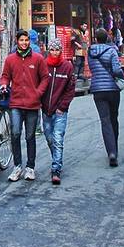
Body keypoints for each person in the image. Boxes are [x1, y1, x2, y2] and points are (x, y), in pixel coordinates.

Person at [0, 29, 48, 182]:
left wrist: (38, 93)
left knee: (29, 136)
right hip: (15, 103)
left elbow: (45, 78)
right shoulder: (10, 59)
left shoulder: (38, 58)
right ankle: (17, 166)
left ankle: (30, 167)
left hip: (32, 104)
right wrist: (4, 84)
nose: (24, 43)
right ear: (17, 41)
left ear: (29, 41)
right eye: (21, 40)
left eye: (26, 40)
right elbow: (5, 76)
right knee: (15, 134)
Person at [40, 38, 76, 185]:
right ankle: (56, 157)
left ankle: (56, 169)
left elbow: (70, 89)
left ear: (61, 51)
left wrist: (63, 106)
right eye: (52, 50)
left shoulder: (67, 67)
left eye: (57, 50)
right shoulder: (43, 65)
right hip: (46, 110)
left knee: (58, 138)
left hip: (60, 110)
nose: (54, 52)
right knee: (49, 138)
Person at [88, 27, 124, 167]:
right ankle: (114, 148)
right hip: (112, 89)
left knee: (105, 120)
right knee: (114, 118)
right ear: (107, 38)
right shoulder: (112, 51)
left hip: (98, 88)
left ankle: (111, 151)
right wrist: (121, 77)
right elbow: (116, 69)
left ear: (96, 38)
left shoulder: (90, 52)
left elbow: (92, 68)